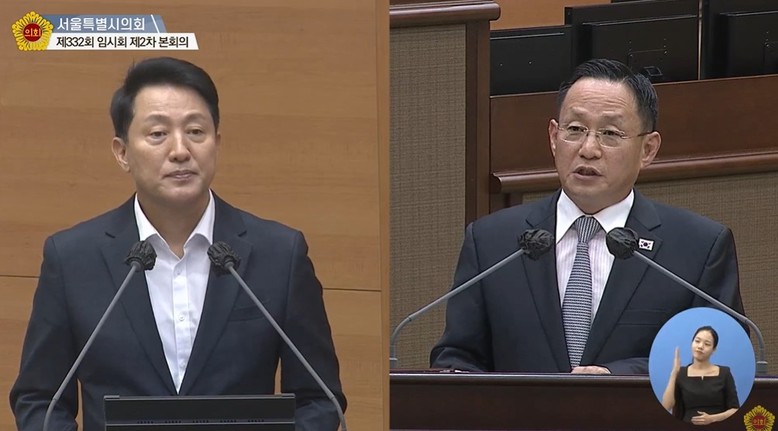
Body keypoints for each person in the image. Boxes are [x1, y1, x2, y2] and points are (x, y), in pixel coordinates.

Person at [9, 57, 346, 431]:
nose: (180, 150)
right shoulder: (73, 259)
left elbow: (320, 401)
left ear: (216, 143)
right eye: (158, 134)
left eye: (196, 132)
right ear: (122, 152)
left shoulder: (279, 254)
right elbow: (40, 400)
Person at [430, 58, 745, 375]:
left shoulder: (697, 248)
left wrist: (618, 378)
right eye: (575, 130)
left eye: (610, 133)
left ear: (648, 149)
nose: (588, 149)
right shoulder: (492, 242)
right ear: (553, 137)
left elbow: (723, 360)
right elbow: (457, 357)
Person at [661, 326, 739, 424]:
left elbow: (735, 410)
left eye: (707, 344)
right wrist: (674, 373)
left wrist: (712, 418)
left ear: (714, 349)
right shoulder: (681, 373)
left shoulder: (724, 373)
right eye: (697, 341)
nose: (700, 346)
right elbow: (666, 406)